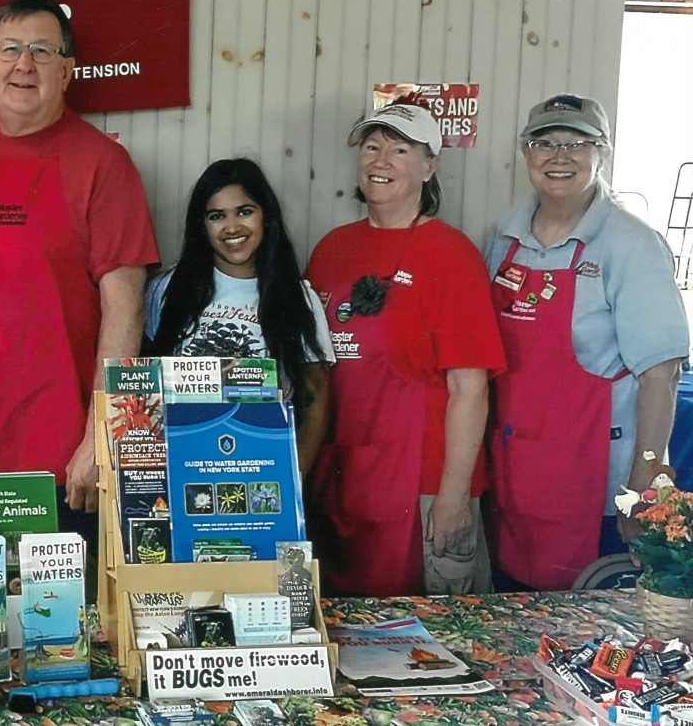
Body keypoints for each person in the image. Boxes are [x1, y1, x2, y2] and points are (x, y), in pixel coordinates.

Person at [0, 0, 160, 542]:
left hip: (55, 457)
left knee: (51, 624)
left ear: (67, 71)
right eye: (11, 49)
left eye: (42, 52)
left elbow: (125, 308)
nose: (24, 65)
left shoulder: (103, 164)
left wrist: (103, 434)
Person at [485, 93, 687, 591]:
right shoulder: (503, 237)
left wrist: (641, 487)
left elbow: (661, 375)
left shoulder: (631, 244)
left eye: (578, 142)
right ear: (525, 153)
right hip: (516, 476)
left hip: (594, 487)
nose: (560, 156)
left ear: (604, 152)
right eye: (544, 143)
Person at [304, 101, 504, 597]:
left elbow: (469, 387)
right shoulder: (331, 249)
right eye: (372, 147)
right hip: (345, 480)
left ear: (430, 167)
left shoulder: (451, 254)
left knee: (434, 640)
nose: (381, 161)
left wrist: (454, 497)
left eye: (400, 150)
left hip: (423, 486)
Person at [144, 157, 334, 471]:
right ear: (201, 225)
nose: (232, 227)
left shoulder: (299, 298)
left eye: (245, 211)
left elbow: (315, 403)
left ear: (266, 217)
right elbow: (142, 383)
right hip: (181, 465)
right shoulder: (166, 289)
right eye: (217, 216)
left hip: (261, 470)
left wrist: (292, 483)